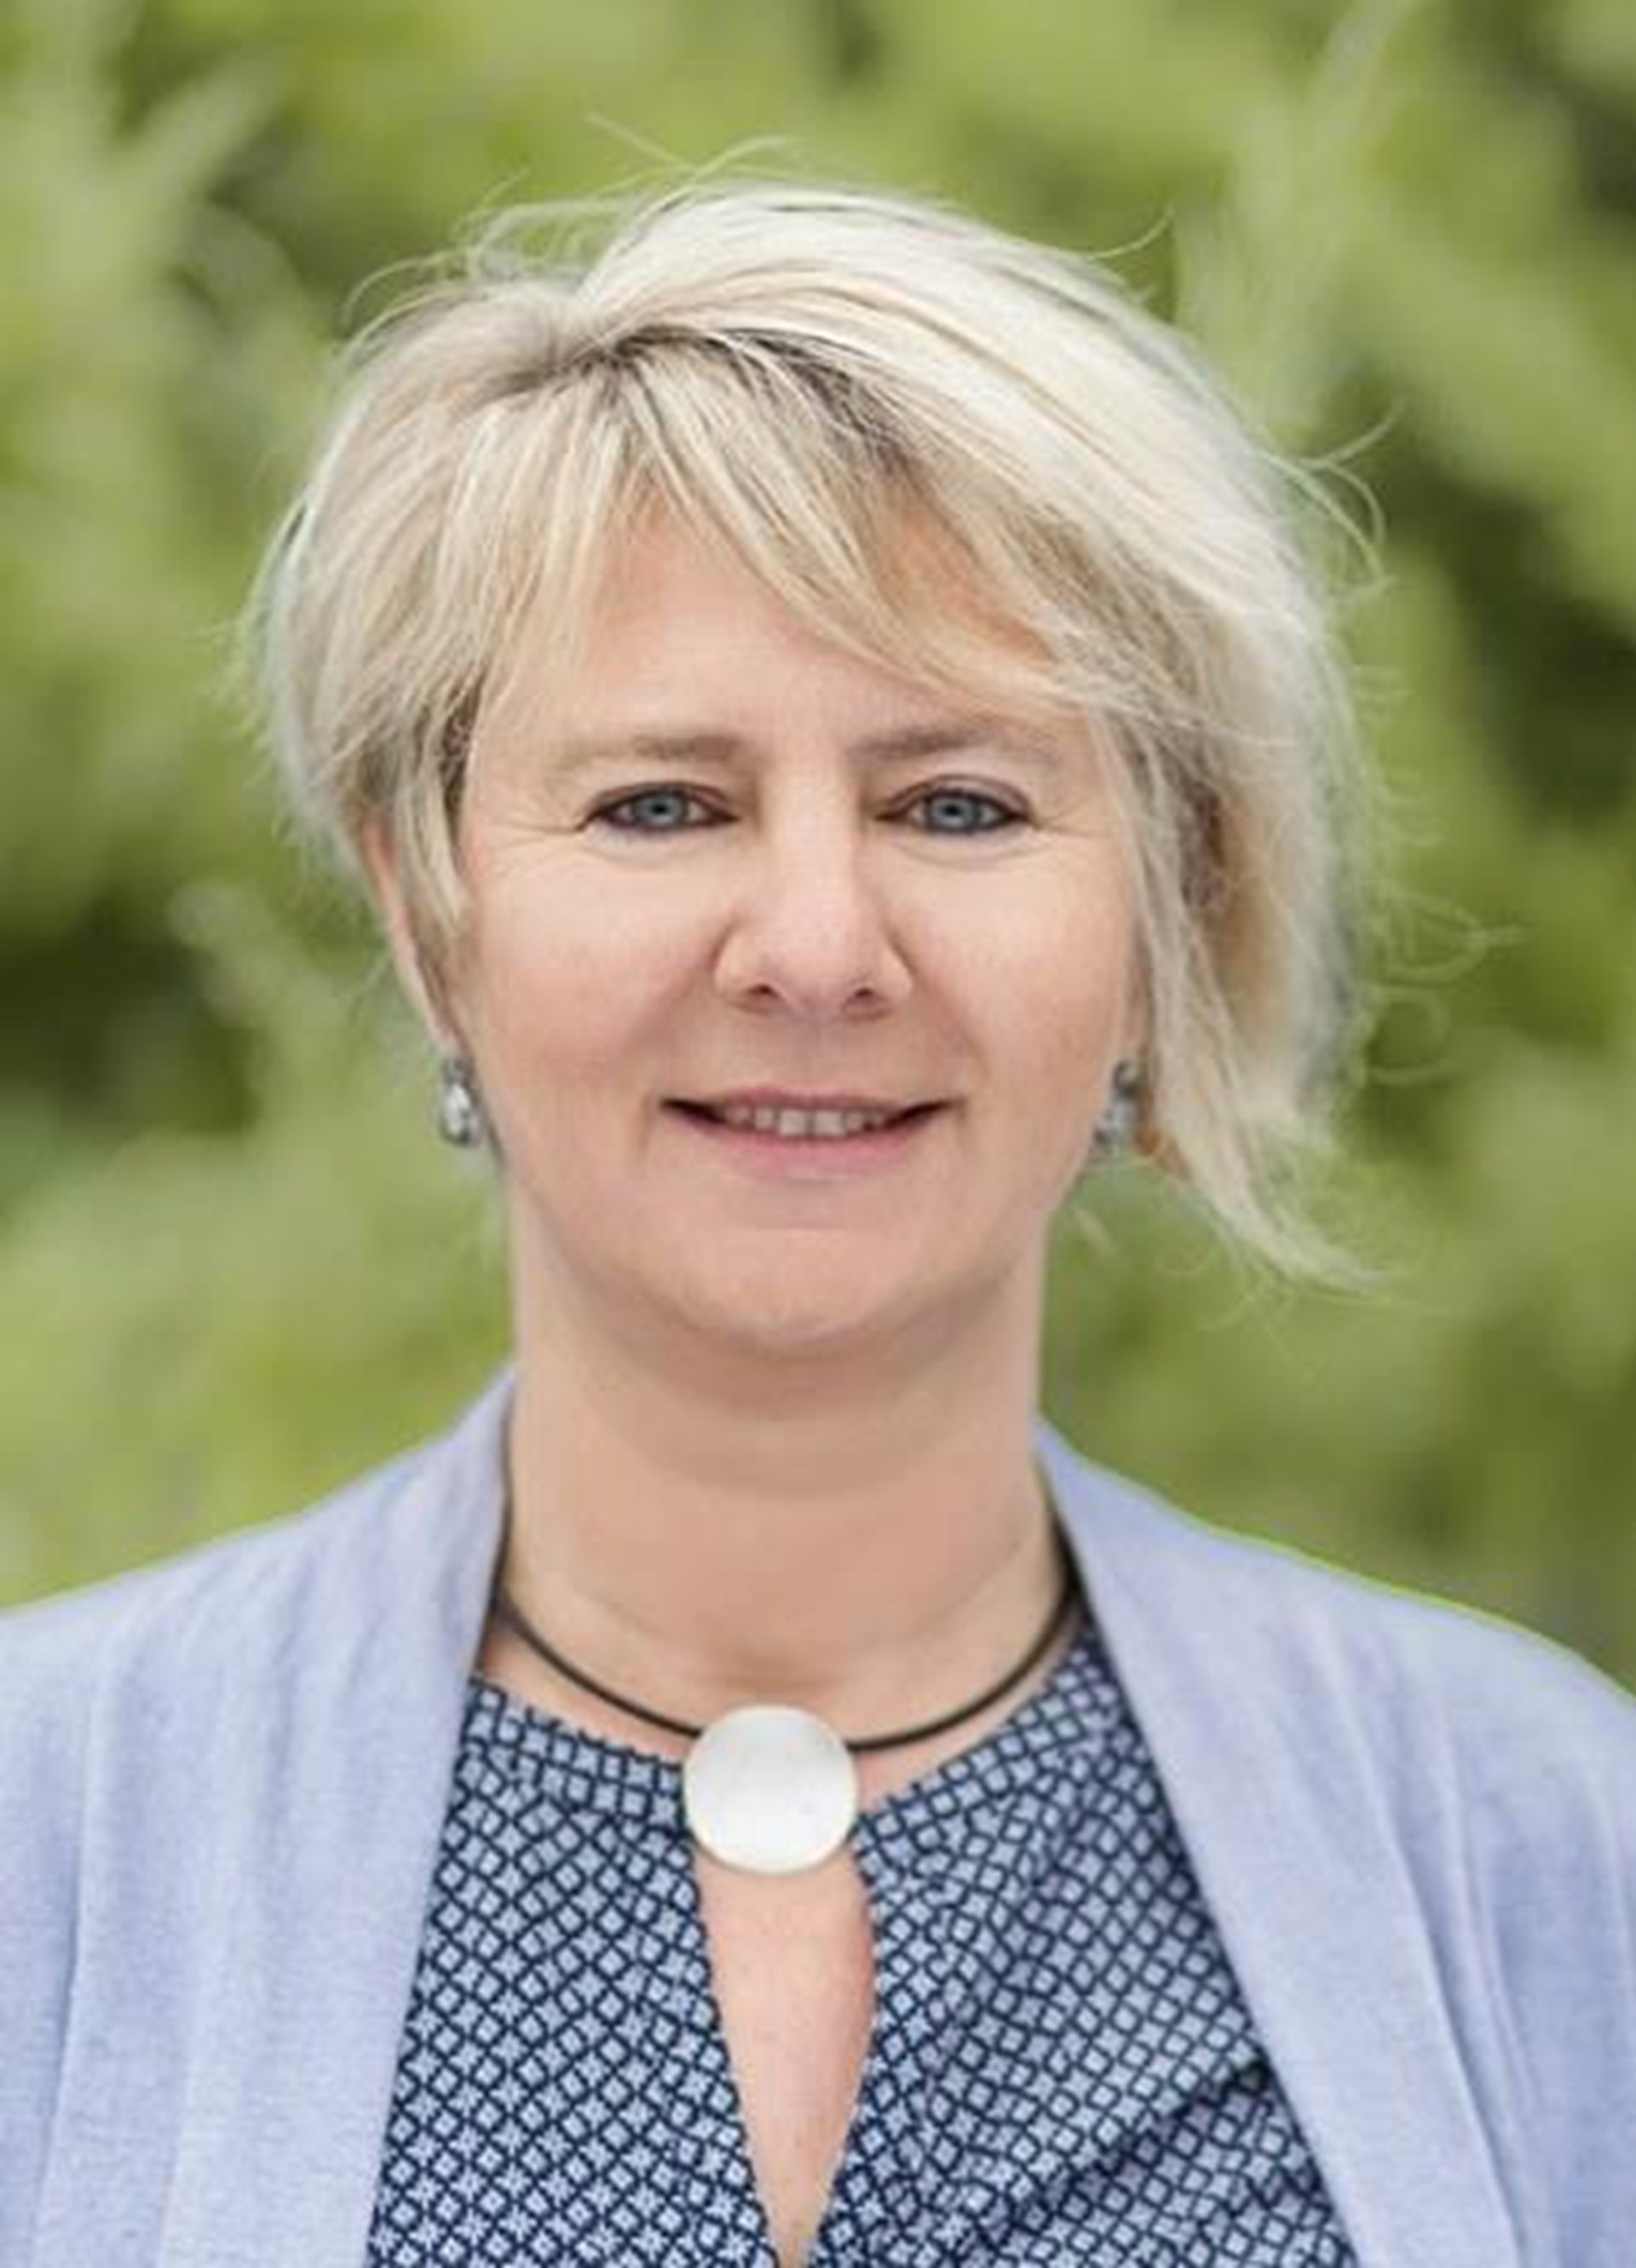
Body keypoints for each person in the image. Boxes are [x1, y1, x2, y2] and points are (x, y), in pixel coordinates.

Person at [3, 174, 1633, 2268]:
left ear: (1166, 913)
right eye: (661, 803)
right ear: (430, 915)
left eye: (956, 803)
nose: (814, 946)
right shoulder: (51, 1832)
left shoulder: (1538, 1849)